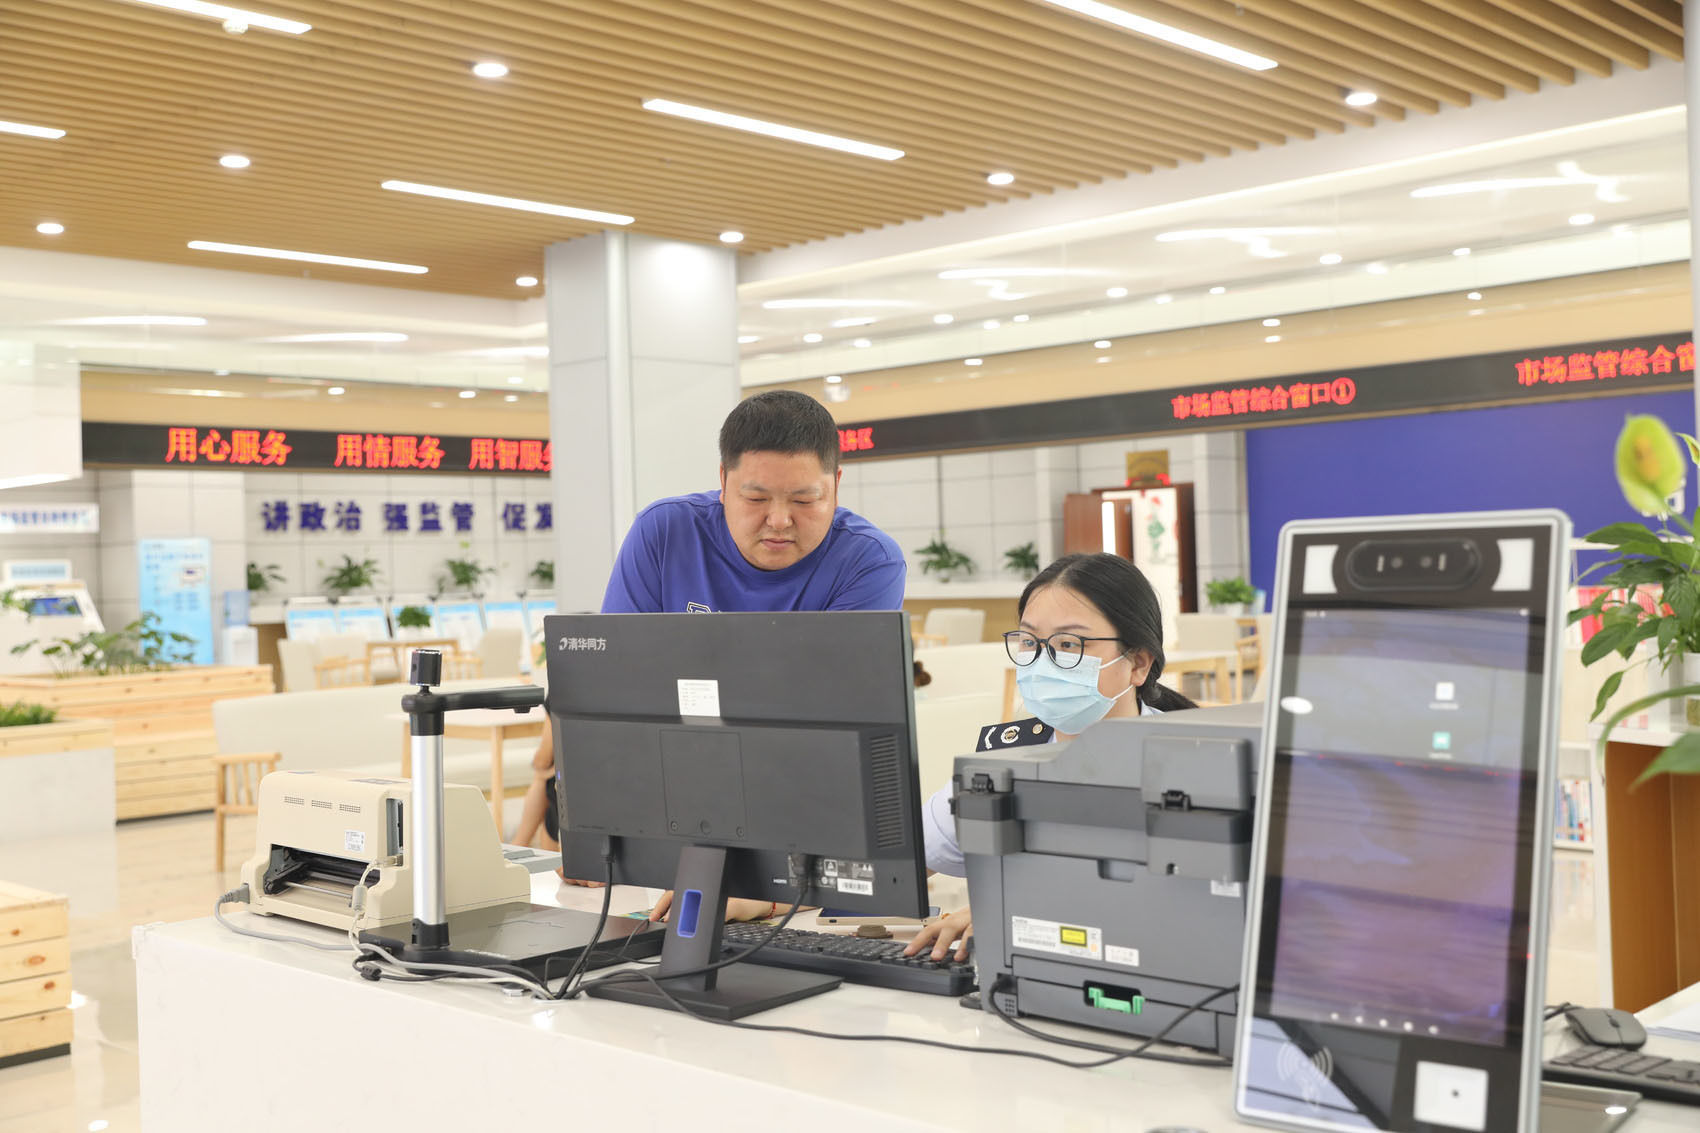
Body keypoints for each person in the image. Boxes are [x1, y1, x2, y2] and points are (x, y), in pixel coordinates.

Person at [510, 390, 906, 918]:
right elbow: (613, 694)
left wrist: (769, 889)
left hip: (805, 827)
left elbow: (835, 739)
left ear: (836, 484)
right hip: (672, 814)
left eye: (805, 500)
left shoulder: (868, 561)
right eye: (756, 498)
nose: (780, 520)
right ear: (723, 482)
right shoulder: (665, 532)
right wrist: (600, 833)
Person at [904, 552, 1195, 962]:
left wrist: (1013, 909)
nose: (1044, 661)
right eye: (1030, 642)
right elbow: (900, 862)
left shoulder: (1193, 763)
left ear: (1138, 663)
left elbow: (1192, 905)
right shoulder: (1004, 760)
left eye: (1069, 644)